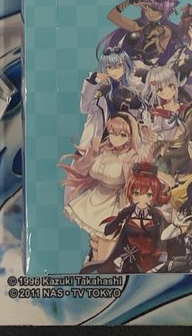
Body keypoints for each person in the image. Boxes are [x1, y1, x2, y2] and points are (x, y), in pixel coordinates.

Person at [61, 114, 143, 266]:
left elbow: (137, 181)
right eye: (112, 133)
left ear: (131, 136)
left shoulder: (132, 157)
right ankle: (93, 268)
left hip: (113, 204)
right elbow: (81, 170)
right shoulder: (103, 150)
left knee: (105, 246)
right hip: (94, 199)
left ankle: (99, 268)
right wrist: (92, 152)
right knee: (95, 244)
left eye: (122, 134)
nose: (116, 138)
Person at [82, 161, 169, 273]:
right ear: (131, 193)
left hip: (150, 266)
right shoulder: (127, 213)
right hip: (126, 263)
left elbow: (164, 243)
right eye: (137, 194)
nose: (142, 200)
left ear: (155, 196)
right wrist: (121, 216)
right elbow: (108, 231)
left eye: (148, 195)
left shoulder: (158, 217)